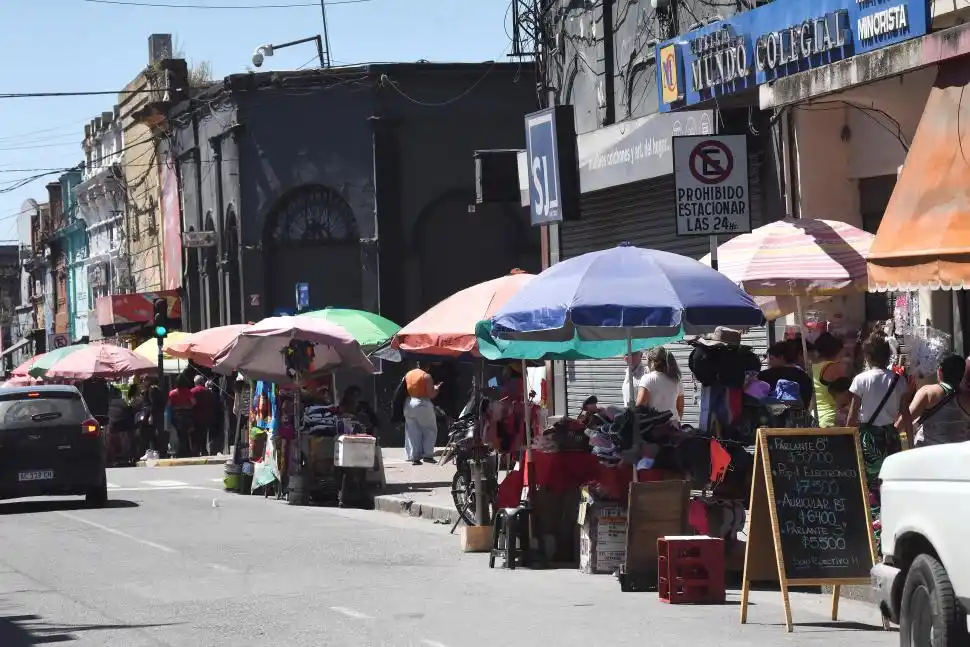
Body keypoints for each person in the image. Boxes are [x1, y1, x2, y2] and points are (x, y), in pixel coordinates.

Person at [847, 333, 912, 511]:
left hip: (868, 437)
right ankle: (891, 512)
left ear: (867, 356)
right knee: (891, 479)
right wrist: (911, 444)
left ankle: (875, 521)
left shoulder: (860, 380)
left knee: (870, 483)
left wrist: (846, 440)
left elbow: (852, 416)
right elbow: (905, 414)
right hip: (891, 436)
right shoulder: (899, 380)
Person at [909, 354, 970, 448]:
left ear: (940, 371)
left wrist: (905, 398)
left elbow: (903, 423)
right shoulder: (966, 397)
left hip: (929, 452)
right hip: (958, 453)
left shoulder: (927, 392)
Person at [758, 341, 814, 409]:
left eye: (772, 359)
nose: (769, 363)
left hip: (770, 417)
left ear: (782, 357)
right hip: (798, 417)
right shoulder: (804, 377)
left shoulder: (764, 376)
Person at [403, 365, 440, 466]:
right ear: (427, 366)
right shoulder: (426, 376)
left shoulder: (408, 374)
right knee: (429, 429)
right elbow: (431, 394)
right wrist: (436, 388)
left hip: (409, 402)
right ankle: (428, 455)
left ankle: (415, 457)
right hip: (422, 403)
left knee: (412, 431)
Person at [635, 347, 684, 422]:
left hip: (655, 427)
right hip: (674, 427)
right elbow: (680, 407)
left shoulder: (647, 378)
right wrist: (676, 422)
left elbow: (640, 407)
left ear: (652, 362)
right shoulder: (676, 380)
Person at [811, 332, 847, 427]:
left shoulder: (811, 369)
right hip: (832, 418)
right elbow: (845, 396)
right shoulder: (835, 367)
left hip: (815, 418)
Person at [168, 372, 197, 458]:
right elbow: (194, 402)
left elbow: (169, 405)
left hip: (176, 414)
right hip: (187, 414)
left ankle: (181, 451)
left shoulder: (172, 393)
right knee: (187, 433)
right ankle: (187, 450)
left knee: (180, 434)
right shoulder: (188, 392)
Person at [191, 375, 218, 456]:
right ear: (203, 382)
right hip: (207, 417)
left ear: (195, 382)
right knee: (205, 434)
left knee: (196, 435)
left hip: (195, 417)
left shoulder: (192, 391)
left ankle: (196, 450)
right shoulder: (208, 392)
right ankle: (204, 450)